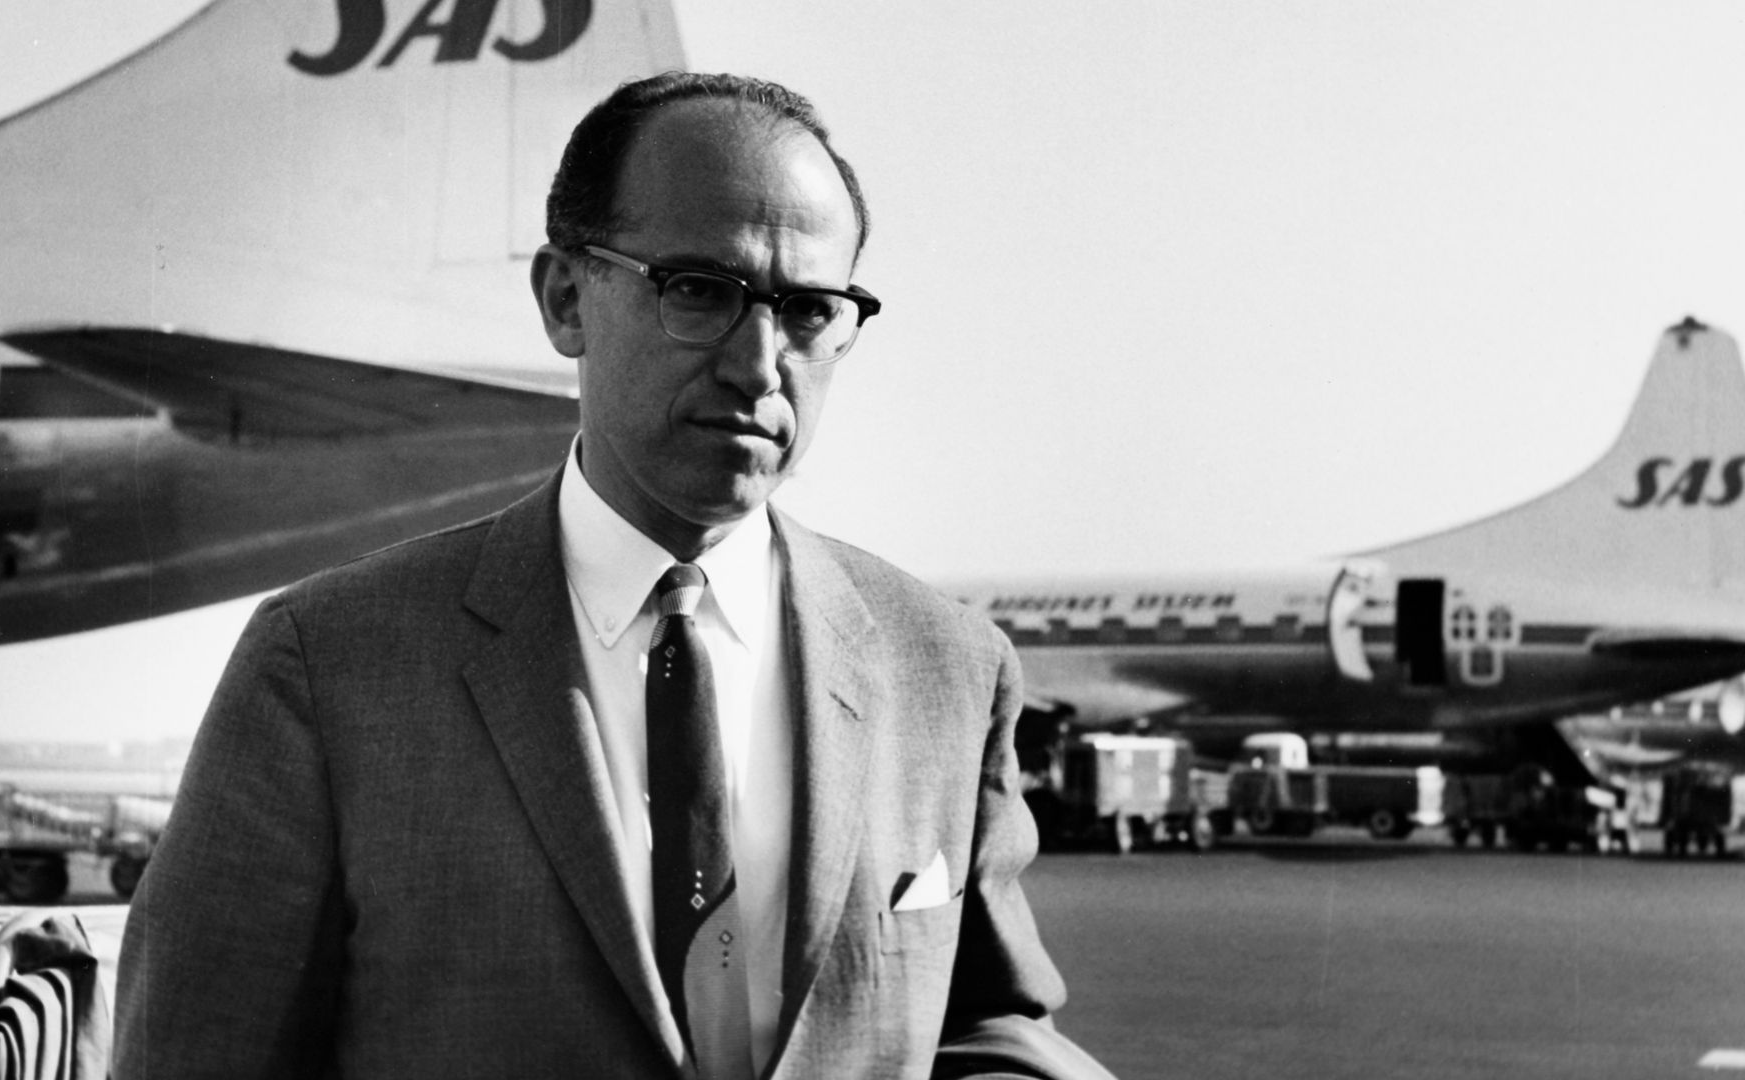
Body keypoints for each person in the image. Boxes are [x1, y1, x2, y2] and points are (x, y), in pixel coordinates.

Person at [113, 72, 1112, 1080]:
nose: (759, 363)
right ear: (564, 299)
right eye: (699, 292)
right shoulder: (330, 665)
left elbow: (989, 1028)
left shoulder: (944, 667)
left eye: (808, 310)